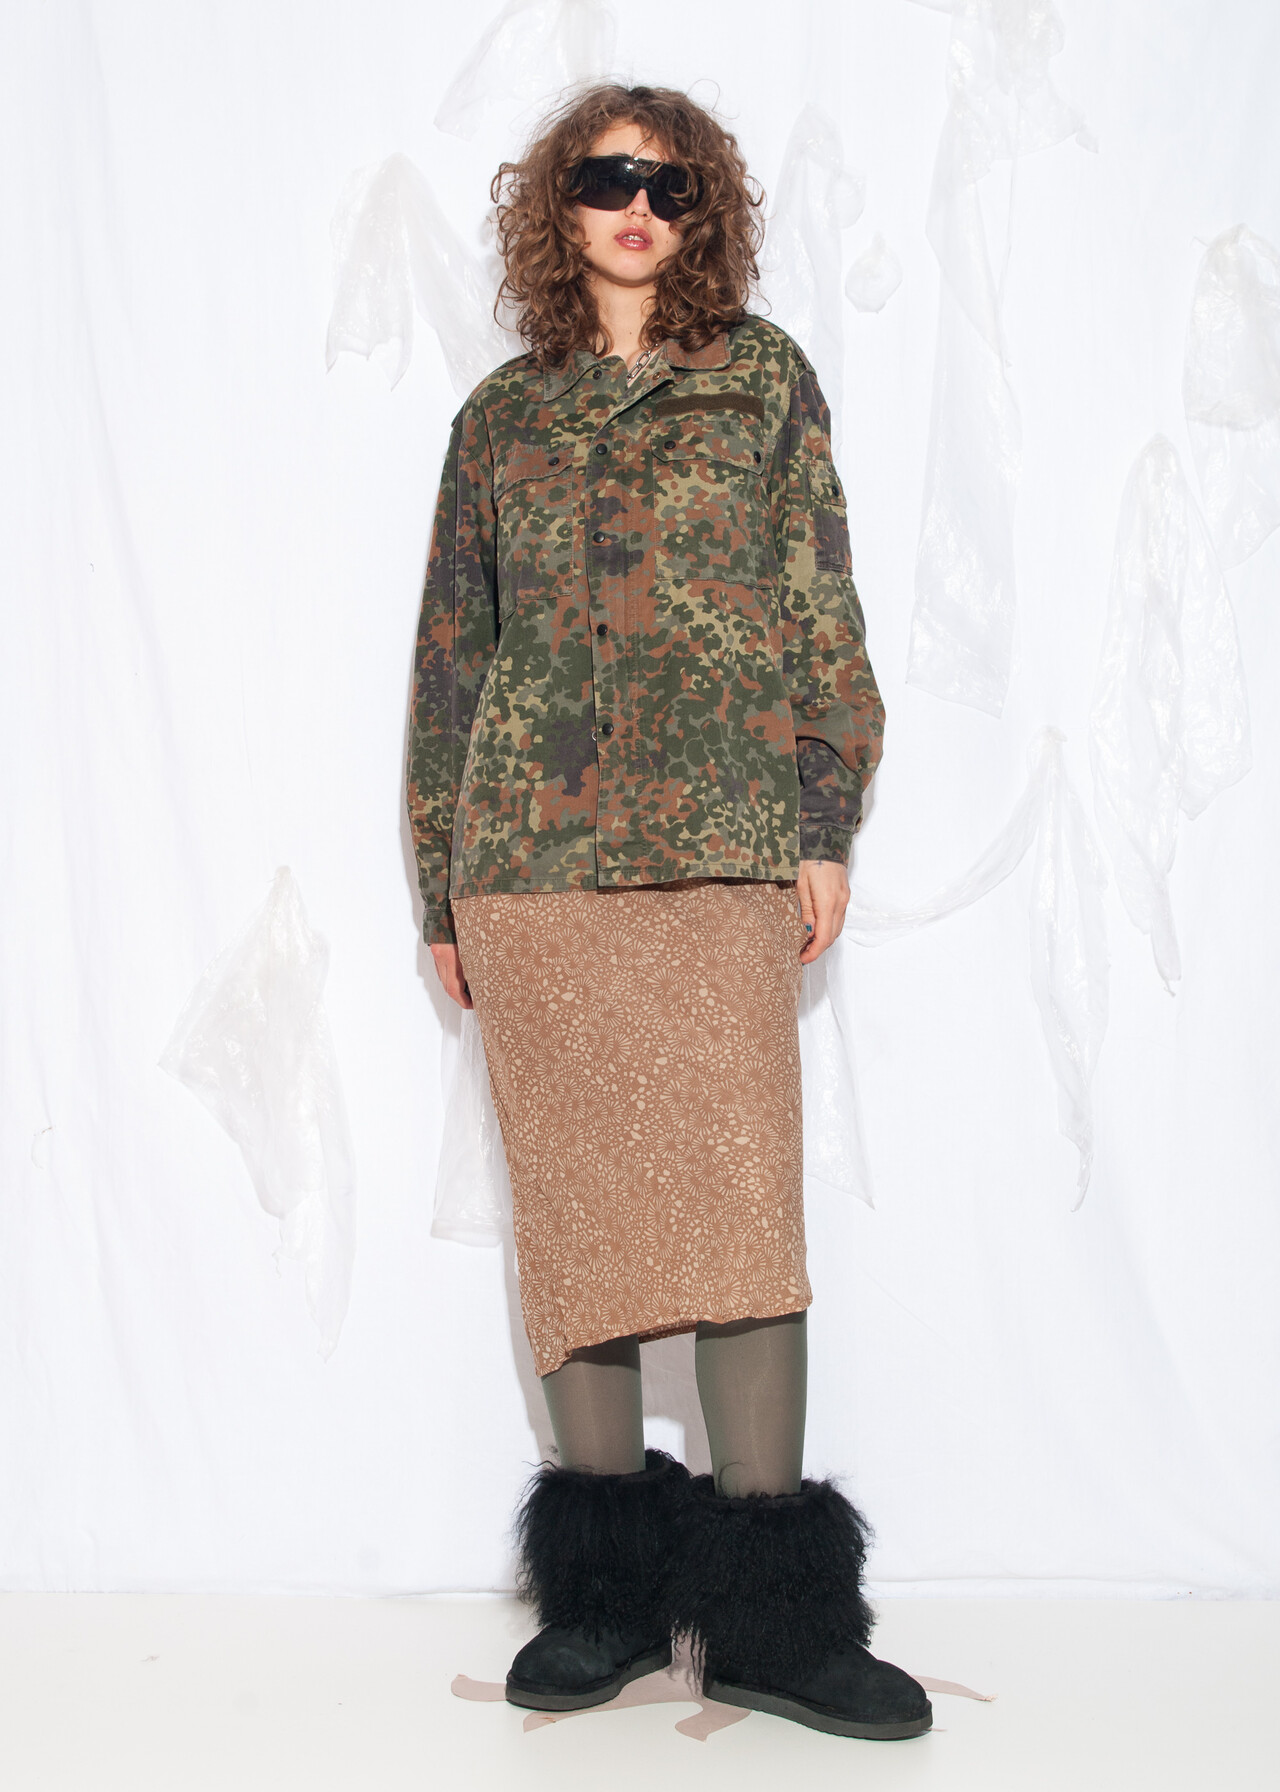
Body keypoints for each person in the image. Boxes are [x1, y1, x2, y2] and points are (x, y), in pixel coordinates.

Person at [406, 82, 930, 1742]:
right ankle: (611, 1598)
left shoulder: (762, 382)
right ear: (556, 205)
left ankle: (774, 1618)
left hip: (721, 844)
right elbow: (450, 656)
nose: (639, 205)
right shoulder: (501, 417)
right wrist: (440, 876)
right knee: (577, 1216)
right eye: (607, 177)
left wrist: (823, 818)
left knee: (740, 1217)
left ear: (709, 211)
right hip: (532, 868)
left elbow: (821, 609)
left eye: (673, 183)